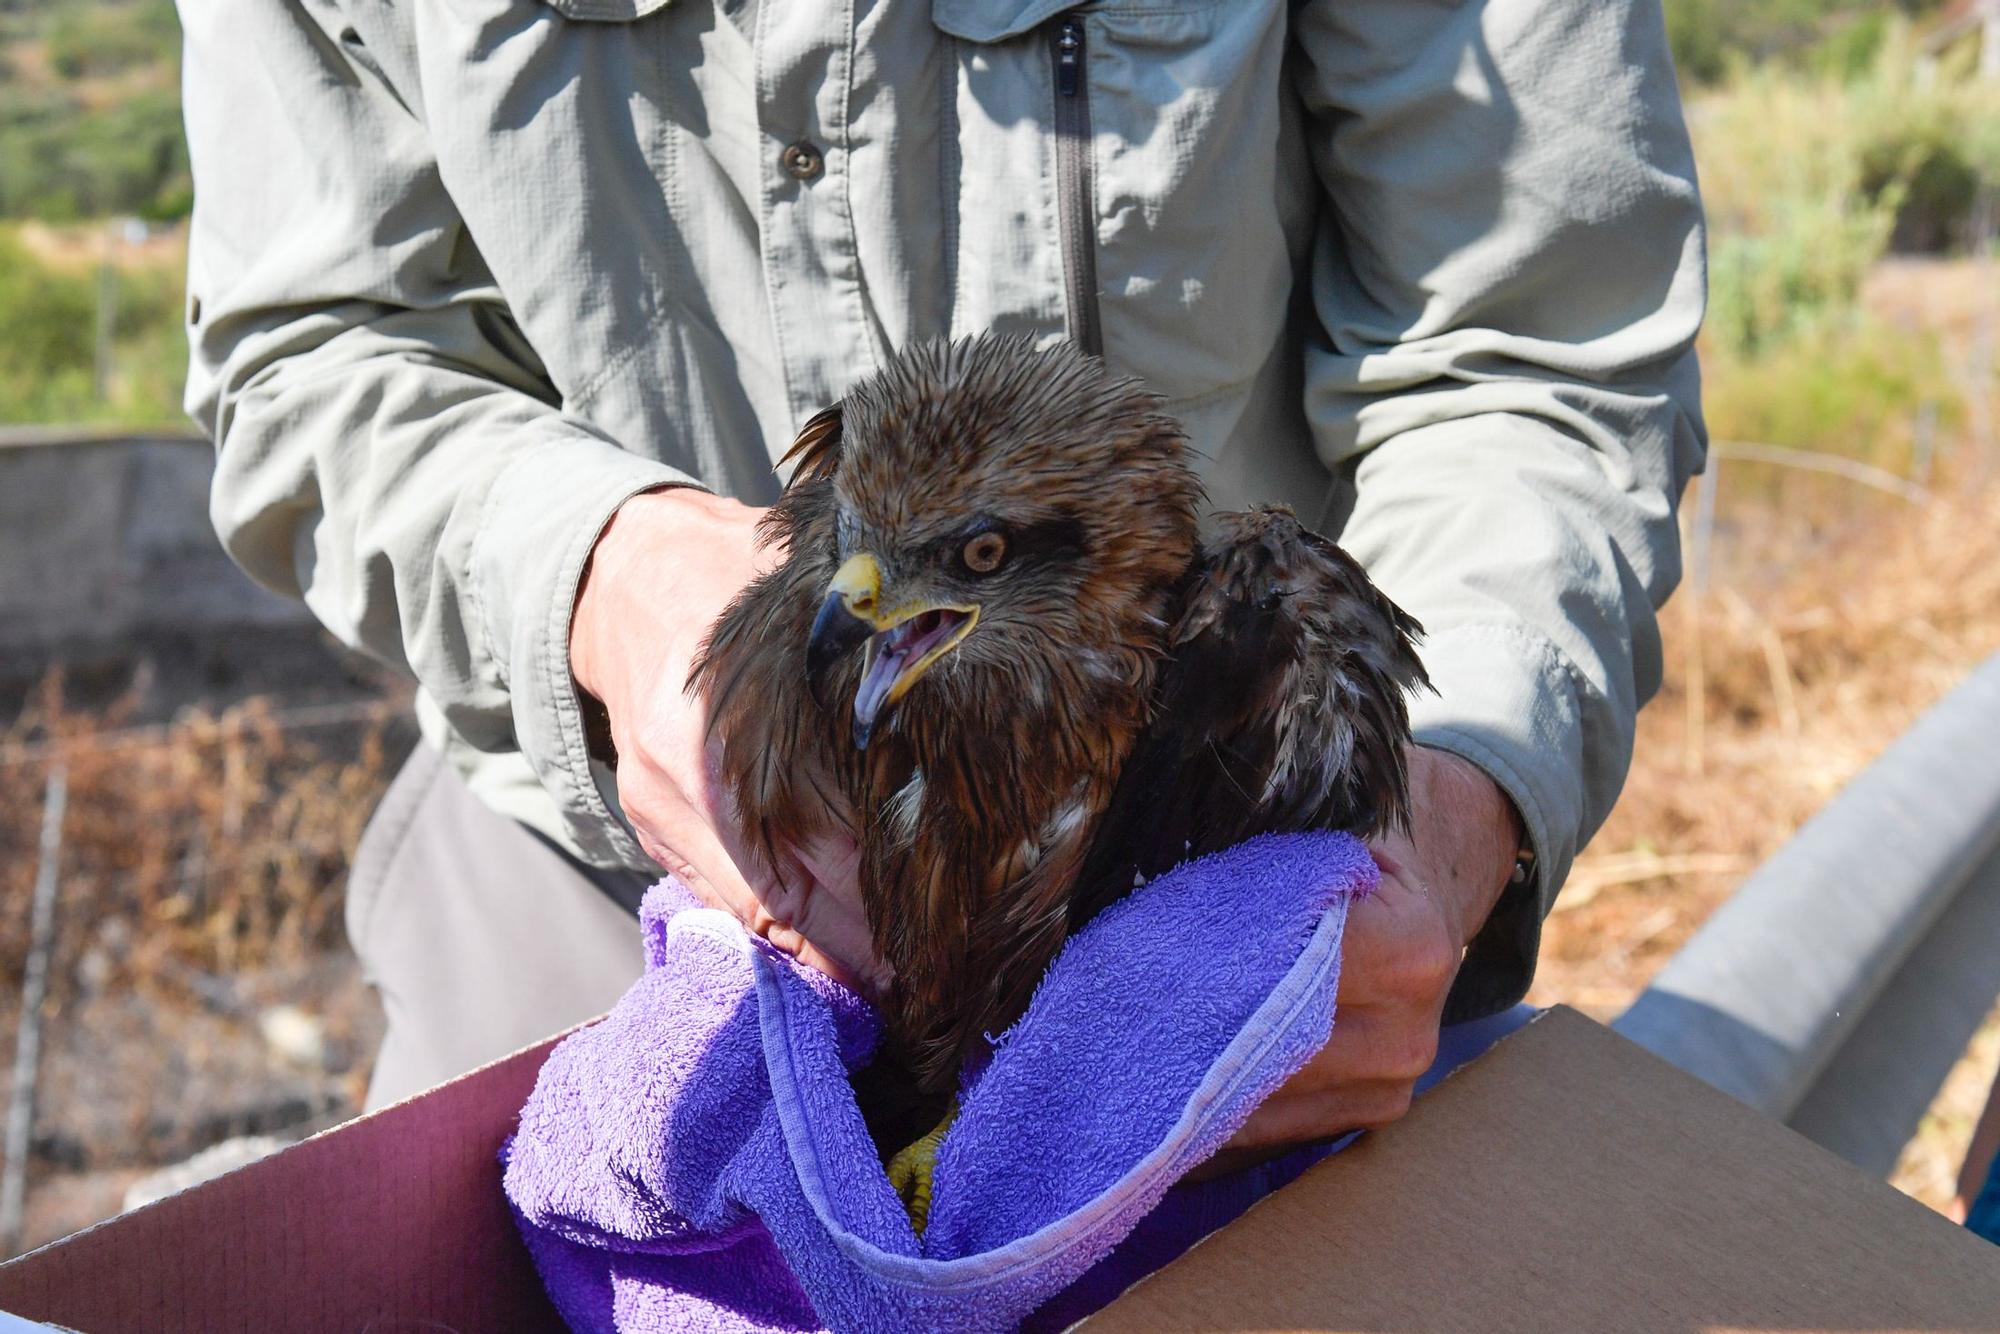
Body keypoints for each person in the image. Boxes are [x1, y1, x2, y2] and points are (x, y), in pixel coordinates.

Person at [177, 0, 1705, 1136]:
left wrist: (1432, 826)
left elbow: (1538, 345)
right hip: (594, 890)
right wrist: (599, 572)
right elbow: (309, 341)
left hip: (1229, 915)